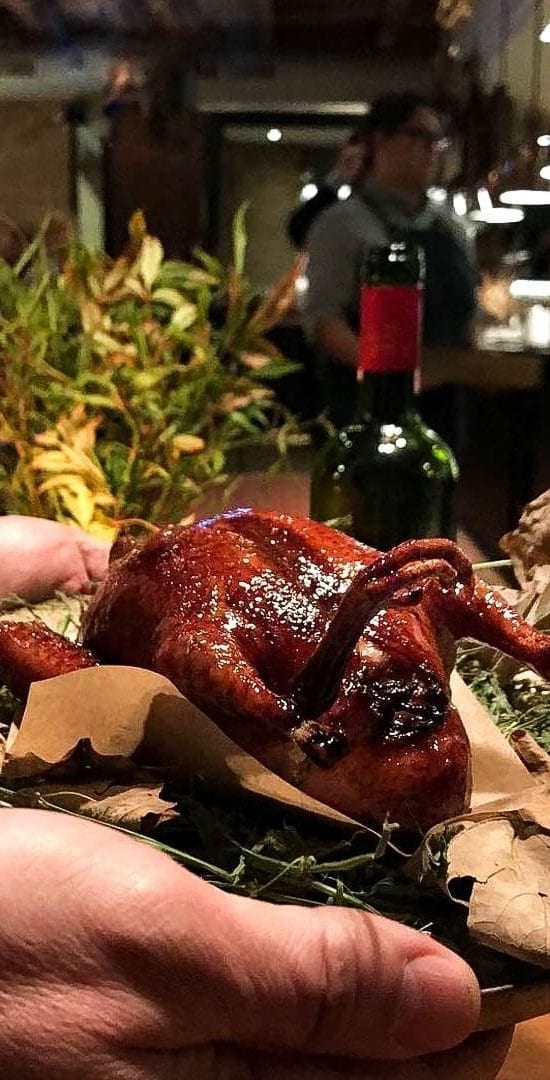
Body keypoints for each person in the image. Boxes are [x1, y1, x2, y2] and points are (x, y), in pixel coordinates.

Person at [0, 517, 511, 1078]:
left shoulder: (400, 617)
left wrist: (526, 644)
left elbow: (439, 590)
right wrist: (284, 716)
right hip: (260, 664)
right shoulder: (201, 610)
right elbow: (192, 646)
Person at [301, 93, 479, 435]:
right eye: (420, 136)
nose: (432, 150)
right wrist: (390, 373)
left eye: (437, 140)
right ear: (381, 141)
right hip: (368, 409)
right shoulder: (341, 223)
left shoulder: (452, 227)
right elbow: (324, 321)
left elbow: (469, 314)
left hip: (445, 408)